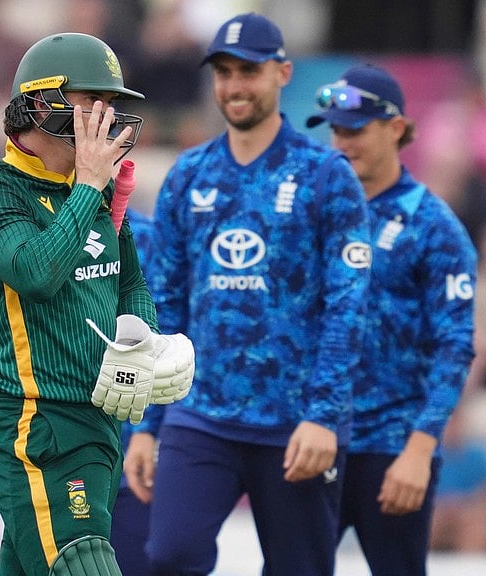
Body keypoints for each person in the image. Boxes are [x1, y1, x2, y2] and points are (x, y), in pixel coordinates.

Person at [123, 12, 371, 576]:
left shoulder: (325, 175)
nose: (234, 86)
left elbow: (347, 306)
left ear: (282, 73)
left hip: (295, 424)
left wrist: (324, 416)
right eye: (224, 73)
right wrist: (144, 426)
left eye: (249, 71)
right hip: (200, 414)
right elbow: (163, 306)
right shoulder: (189, 174)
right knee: (169, 556)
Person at [0, 32, 194, 575]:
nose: (107, 118)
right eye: (93, 102)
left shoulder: (98, 192)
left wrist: (140, 339)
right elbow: (36, 274)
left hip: (97, 427)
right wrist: (88, 185)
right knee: (83, 562)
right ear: (41, 104)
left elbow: (129, 283)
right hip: (33, 425)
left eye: (112, 105)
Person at [305, 63, 477, 575]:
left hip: (392, 447)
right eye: (336, 131)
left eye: (355, 131)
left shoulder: (433, 225)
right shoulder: (313, 214)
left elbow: (455, 347)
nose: (342, 143)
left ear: (396, 128)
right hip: (315, 438)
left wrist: (421, 450)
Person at [0, 209, 158, 574]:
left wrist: (150, 432)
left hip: (128, 453)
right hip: (48, 444)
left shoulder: (143, 236)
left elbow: (165, 329)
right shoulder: (27, 231)